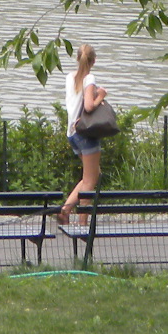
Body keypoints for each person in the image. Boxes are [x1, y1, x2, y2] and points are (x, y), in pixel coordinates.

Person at [59, 45, 107, 223]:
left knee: (93, 174)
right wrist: (101, 95)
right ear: (94, 61)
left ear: (77, 59)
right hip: (85, 133)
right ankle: (82, 224)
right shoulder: (89, 78)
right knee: (90, 181)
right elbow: (88, 106)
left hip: (72, 133)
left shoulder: (69, 77)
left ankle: (66, 210)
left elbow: (77, 102)